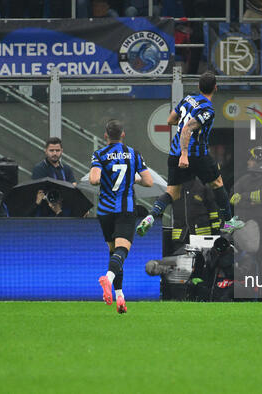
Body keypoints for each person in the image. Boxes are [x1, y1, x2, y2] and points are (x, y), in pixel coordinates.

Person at [137, 72, 243, 237]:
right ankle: (229, 222)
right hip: (195, 154)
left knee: (172, 192)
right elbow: (187, 129)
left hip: (174, 152)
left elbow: (170, 120)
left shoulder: (188, 99)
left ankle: (151, 216)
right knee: (217, 182)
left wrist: (181, 145)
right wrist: (185, 154)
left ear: (199, 87)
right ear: (215, 88)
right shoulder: (207, 109)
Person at [91, 119, 154, 314]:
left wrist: (106, 174)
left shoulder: (100, 154)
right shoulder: (134, 154)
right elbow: (149, 182)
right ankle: (108, 280)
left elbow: (93, 180)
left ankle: (120, 297)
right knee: (122, 251)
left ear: (105, 136)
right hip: (125, 210)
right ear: (123, 134)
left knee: (114, 253)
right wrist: (133, 177)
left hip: (104, 211)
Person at [171, 177, 220, 251]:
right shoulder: (174, 187)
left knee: (201, 260)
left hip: (202, 238)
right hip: (180, 238)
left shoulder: (203, 186)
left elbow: (213, 211)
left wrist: (215, 230)